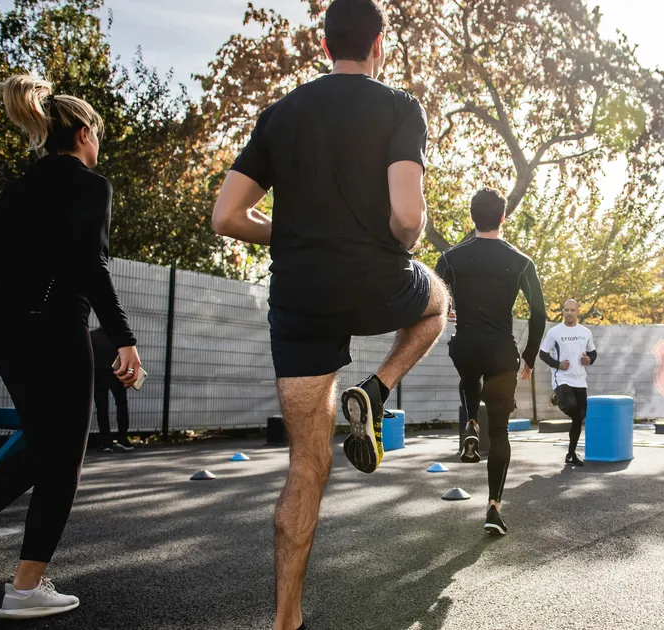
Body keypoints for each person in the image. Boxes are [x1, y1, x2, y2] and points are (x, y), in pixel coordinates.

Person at [209, 2, 447, 628]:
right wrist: (406, 242)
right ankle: (377, 388)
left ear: (323, 44)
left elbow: (226, 217)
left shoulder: (281, 115)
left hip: (299, 298)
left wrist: (286, 235)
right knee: (437, 304)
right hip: (376, 280)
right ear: (379, 46)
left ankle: (287, 619)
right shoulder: (400, 107)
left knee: (305, 468)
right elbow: (406, 216)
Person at [0, 75, 142, 619]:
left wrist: (31, 267)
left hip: (7, 329)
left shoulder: (26, 185)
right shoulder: (91, 186)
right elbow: (92, 267)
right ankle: (25, 586)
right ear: (85, 133)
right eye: (99, 135)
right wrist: (124, 339)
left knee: (42, 444)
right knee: (63, 457)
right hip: (54, 327)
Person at [435, 188, 546, 536]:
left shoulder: (451, 257)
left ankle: (469, 421)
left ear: (472, 216)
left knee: (468, 374)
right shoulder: (521, 261)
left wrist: (448, 308)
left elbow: (434, 297)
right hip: (501, 352)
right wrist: (529, 356)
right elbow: (539, 313)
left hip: (465, 345)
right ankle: (494, 507)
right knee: (499, 433)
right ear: (503, 217)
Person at [538, 299, 597, 466]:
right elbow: (543, 354)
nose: (569, 313)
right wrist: (557, 365)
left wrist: (589, 360)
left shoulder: (585, 332)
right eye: (566, 310)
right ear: (563, 312)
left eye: (572, 310)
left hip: (580, 380)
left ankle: (570, 454)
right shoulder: (554, 332)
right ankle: (559, 396)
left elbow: (593, 353)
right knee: (571, 407)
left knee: (580, 416)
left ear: (578, 311)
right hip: (561, 378)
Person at [91, 327, 132, 452]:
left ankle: (106, 441)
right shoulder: (119, 334)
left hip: (99, 375)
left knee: (102, 409)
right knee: (121, 405)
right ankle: (123, 438)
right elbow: (128, 357)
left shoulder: (92, 336)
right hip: (117, 375)